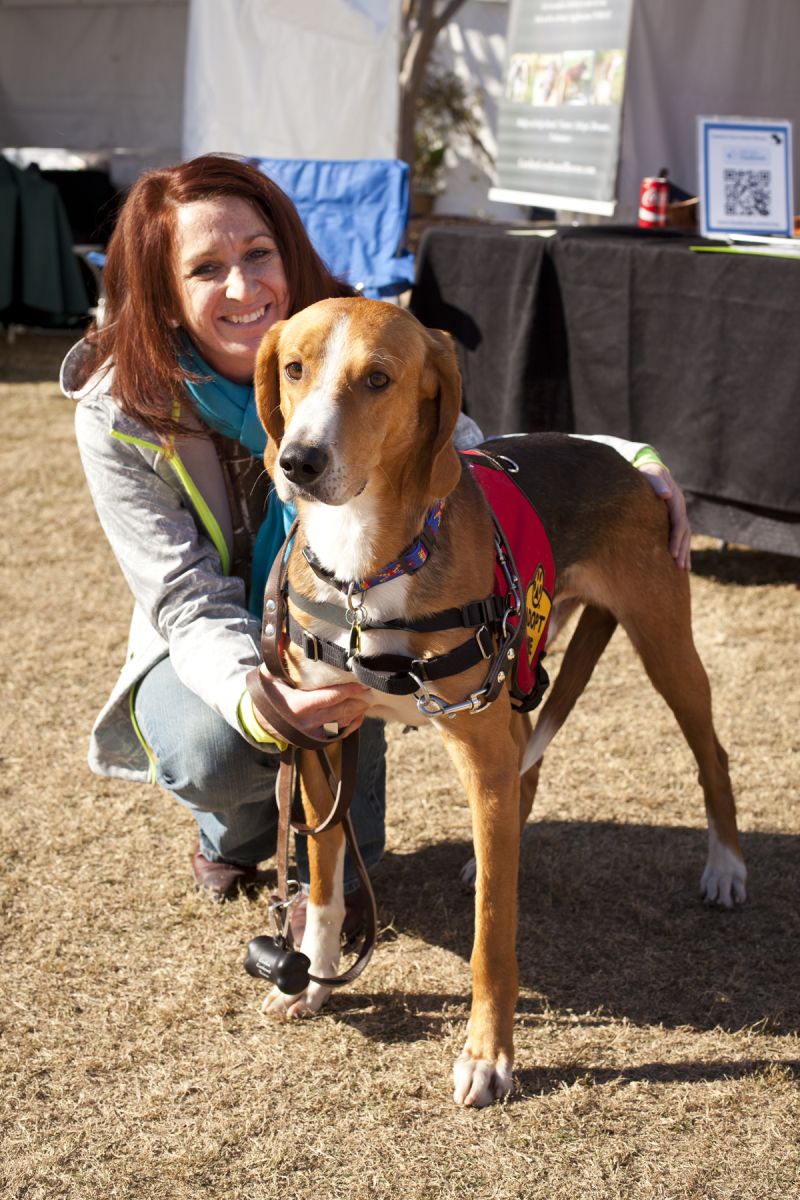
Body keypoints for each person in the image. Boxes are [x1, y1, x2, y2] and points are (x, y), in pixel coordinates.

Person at [61, 153, 691, 918]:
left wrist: (625, 460)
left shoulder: (358, 336)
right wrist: (256, 699)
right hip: (215, 633)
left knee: (368, 673)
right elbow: (185, 599)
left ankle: (335, 815)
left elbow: (465, 449)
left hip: (355, 631)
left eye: (258, 254)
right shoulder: (118, 410)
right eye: (205, 269)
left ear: (288, 249)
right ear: (163, 293)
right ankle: (235, 829)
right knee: (216, 748)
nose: (243, 286)